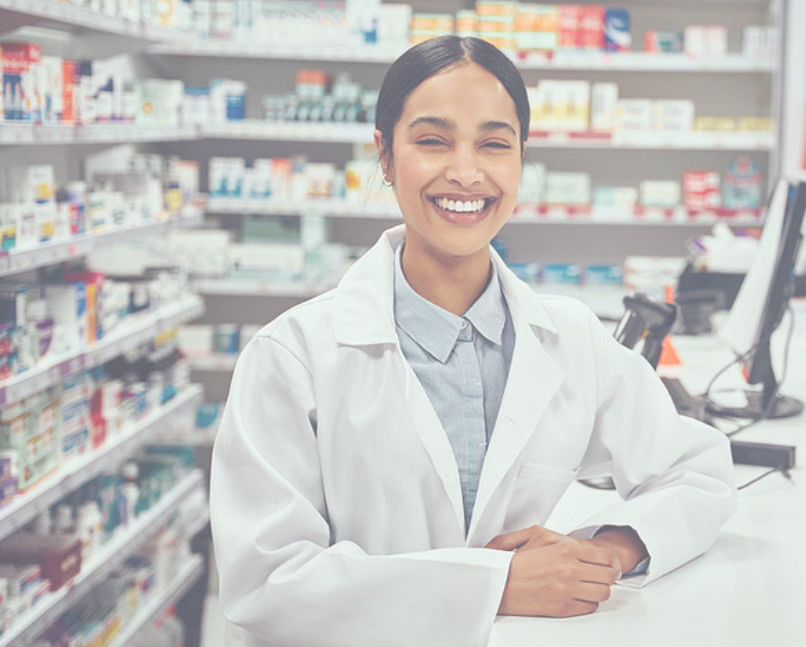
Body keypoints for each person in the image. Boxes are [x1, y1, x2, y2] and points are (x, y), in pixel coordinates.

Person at [209, 35, 737, 647]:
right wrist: (496, 584)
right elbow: (266, 583)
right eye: (432, 141)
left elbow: (698, 474)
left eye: (494, 143)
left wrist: (610, 552)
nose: (466, 172)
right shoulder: (292, 356)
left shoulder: (567, 339)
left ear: (521, 159)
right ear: (384, 155)